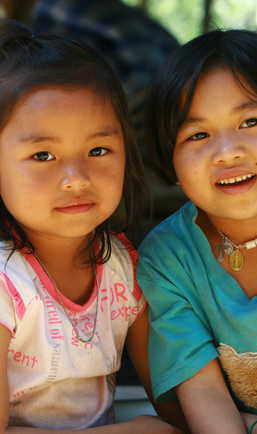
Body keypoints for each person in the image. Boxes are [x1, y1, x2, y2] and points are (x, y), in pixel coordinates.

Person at [0, 19, 183, 434]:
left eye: (98, 149)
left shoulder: (123, 267)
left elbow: (174, 398)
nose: (76, 177)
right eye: (43, 155)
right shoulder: (6, 286)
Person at [137, 29, 257, 434]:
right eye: (198, 134)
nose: (227, 151)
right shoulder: (168, 257)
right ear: (171, 161)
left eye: (251, 121)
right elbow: (202, 392)